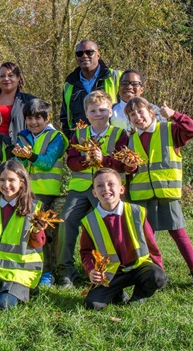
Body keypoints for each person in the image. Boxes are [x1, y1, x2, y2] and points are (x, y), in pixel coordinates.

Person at [124, 97, 193, 288]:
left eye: (140, 112)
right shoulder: (131, 139)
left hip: (166, 192)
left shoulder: (169, 130)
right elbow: (130, 170)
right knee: (148, 238)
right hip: (142, 196)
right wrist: (129, 167)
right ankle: (158, 275)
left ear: (151, 112)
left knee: (179, 233)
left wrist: (175, 115)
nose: (138, 117)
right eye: (132, 115)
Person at [56, 91, 128, 288]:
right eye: (93, 110)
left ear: (111, 112)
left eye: (103, 110)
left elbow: (123, 164)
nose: (98, 114)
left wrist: (102, 160)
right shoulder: (79, 135)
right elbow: (71, 162)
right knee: (66, 221)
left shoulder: (120, 134)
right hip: (80, 187)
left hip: (106, 190)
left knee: (106, 226)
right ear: (86, 114)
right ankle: (65, 270)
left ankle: (110, 269)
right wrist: (87, 161)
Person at [80, 168, 167, 310]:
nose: (106, 189)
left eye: (110, 184)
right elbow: (86, 252)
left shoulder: (137, 212)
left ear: (121, 189)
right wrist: (90, 270)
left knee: (157, 276)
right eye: (100, 186)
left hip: (139, 266)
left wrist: (159, 270)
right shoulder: (89, 221)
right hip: (112, 273)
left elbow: (151, 245)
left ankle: (138, 298)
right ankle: (118, 294)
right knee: (93, 304)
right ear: (94, 193)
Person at [0, 161, 46, 310]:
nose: (6, 185)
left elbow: (37, 243)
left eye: (11, 180)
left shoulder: (33, 207)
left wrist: (37, 231)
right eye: (2, 180)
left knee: (3, 305)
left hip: (20, 270)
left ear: (22, 182)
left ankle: (29, 288)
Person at [14, 99, 69, 286]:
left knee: (51, 234)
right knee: (32, 233)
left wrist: (29, 156)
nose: (33, 122)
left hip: (51, 193)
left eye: (38, 117)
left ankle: (54, 271)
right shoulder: (22, 136)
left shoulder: (57, 138)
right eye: (29, 118)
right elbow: (18, 165)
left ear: (47, 118)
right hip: (28, 193)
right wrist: (21, 158)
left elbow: (47, 162)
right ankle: (39, 269)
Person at [60, 40, 122, 138]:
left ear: (98, 55)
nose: (84, 56)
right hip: (81, 145)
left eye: (89, 52)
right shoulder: (69, 84)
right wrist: (71, 144)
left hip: (113, 143)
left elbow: (130, 109)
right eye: (80, 53)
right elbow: (65, 118)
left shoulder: (116, 78)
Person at [0, 62, 37, 142]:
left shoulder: (29, 101)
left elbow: (37, 127)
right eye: (2, 76)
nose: (6, 79)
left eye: (10, 75)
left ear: (18, 78)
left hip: (18, 149)